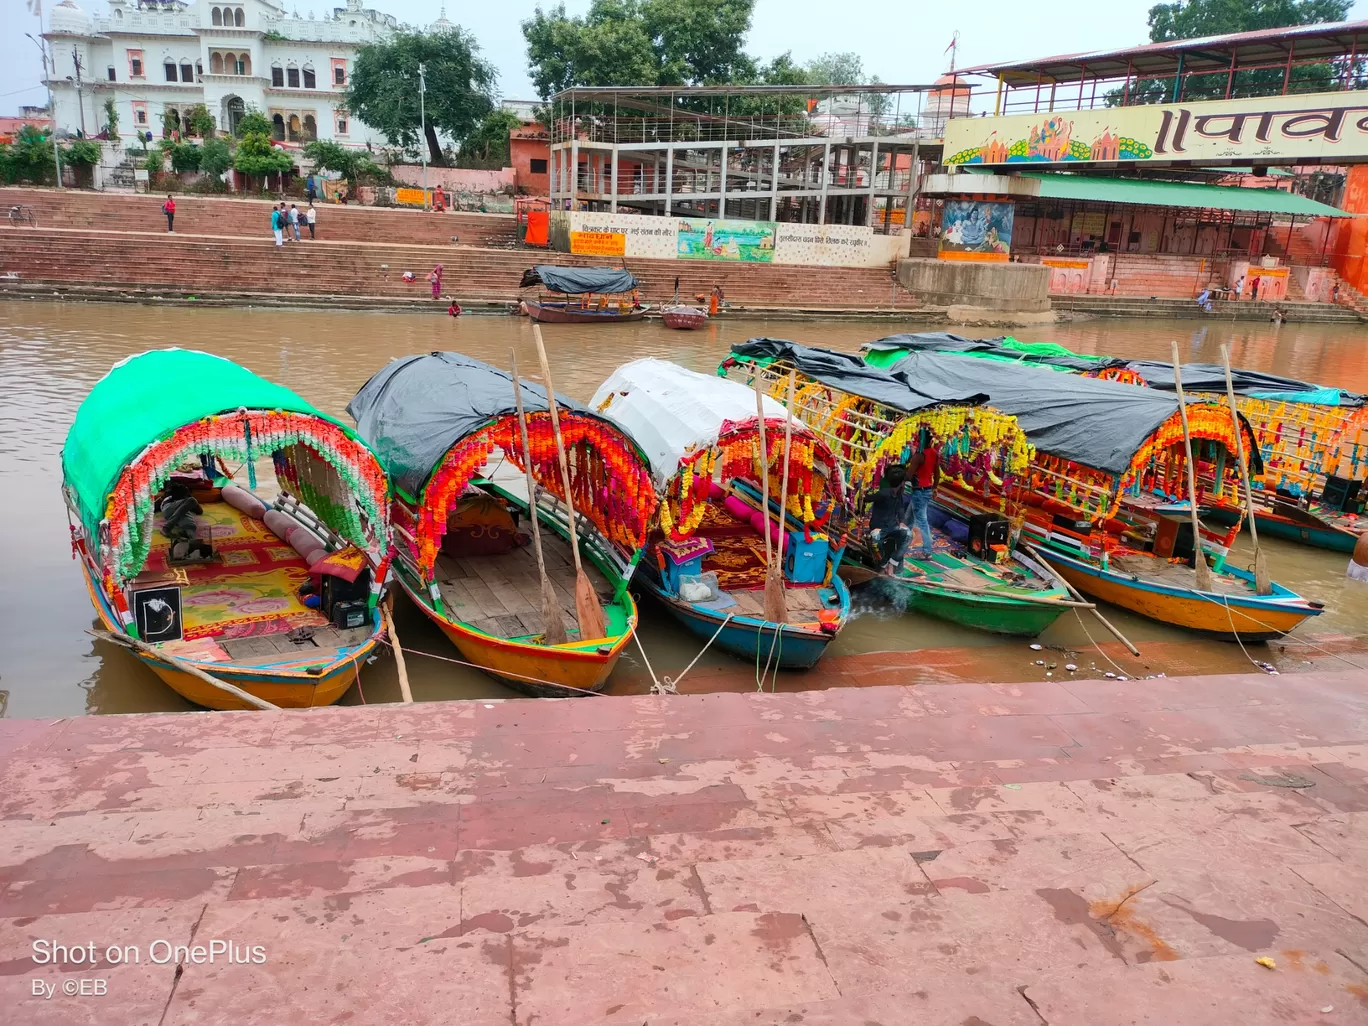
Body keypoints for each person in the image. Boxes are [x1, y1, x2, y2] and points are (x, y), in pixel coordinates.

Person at [867, 464, 911, 572]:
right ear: (901, 483)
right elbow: (867, 498)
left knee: (908, 534)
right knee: (875, 541)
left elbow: (900, 508)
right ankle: (884, 564)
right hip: (879, 528)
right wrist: (865, 492)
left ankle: (893, 562)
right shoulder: (883, 494)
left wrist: (902, 522)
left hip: (892, 527)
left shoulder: (899, 494)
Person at [904, 439, 941, 560]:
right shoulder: (934, 453)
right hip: (927, 489)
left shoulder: (919, 456)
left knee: (922, 521)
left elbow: (908, 476)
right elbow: (937, 473)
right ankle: (902, 541)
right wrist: (935, 488)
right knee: (908, 518)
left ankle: (927, 552)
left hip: (919, 491)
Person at [156, 482, 210, 562]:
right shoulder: (167, 497)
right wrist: (189, 497)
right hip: (168, 507)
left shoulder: (184, 501)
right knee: (192, 501)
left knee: (190, 525)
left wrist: (187, 497)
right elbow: (198, 510)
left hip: (175, 513)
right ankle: (167, 527)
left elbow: (199, 511)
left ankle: (193, 543)